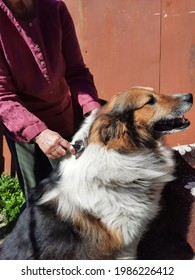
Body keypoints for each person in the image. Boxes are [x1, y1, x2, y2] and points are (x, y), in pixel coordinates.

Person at [0, 0, 100, 200]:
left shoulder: (54, 8)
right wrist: (39, 134)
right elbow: (3, 97)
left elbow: (76, 71)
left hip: (64, 115)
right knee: (42, 200)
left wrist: (93, 112)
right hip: (26, 132)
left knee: (78, 192)